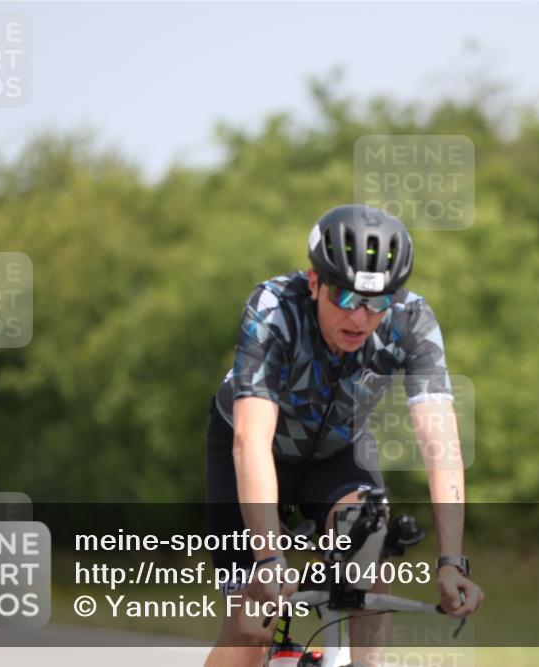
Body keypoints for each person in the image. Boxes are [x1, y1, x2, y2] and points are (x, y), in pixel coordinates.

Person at [204, 204, 483, 667]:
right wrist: (269, 559)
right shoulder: (274, 308)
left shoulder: (411, 319)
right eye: (345, 296)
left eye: (377, 301)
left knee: (368, 543)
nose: (360, 317)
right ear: (315, 282)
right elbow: (251, 442)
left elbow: (442, 445)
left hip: (338, 451)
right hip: (253, 451)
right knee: (252, 625)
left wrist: (452, 561)